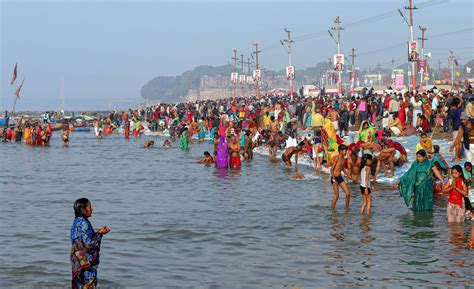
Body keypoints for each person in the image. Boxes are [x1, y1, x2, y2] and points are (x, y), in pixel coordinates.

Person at [70, 198, 110, 289]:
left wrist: (97, 233)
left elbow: (82, 240)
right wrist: (100, 234)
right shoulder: (84, 223)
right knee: (89, 282)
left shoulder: (75, 222)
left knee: (79, 283)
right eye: (90, 207)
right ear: (83, 210)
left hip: (76, 259)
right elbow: (88, 245)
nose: (92, 209)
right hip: (85, 260)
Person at [331, 144, 352, 209]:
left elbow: (342, 168)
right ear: (340, 151)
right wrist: (333, 177)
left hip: (340, 177)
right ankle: (332, 210)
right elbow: (332, 168)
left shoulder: (343, 158)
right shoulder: (337, 157)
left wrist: (348, 175)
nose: (346, 152)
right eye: (345, 151)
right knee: (336, 195)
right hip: (334, 177)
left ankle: (347, 208)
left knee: (348, 193)